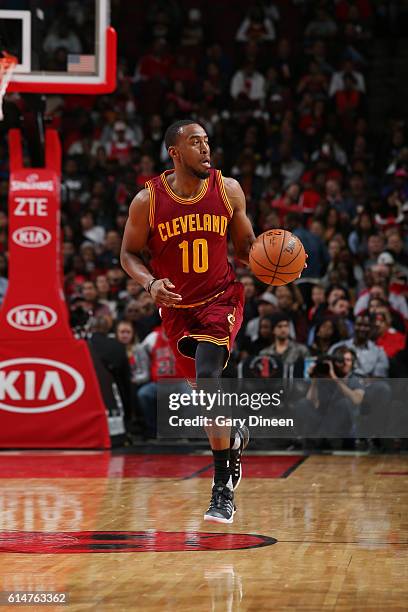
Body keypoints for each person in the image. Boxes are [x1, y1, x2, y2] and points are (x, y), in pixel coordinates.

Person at [120, 119, 258, 524]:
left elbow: (247, 248)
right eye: (195, 142)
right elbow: (128, 255)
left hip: (221, 299)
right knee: (206, 397)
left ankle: (222, 487)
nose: (205, 148)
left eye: (207, 141)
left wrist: (271, 258)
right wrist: (149, 284)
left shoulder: (228, 189)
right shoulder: (148, 200)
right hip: (177, 307)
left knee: (210, 378)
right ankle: (232, 437)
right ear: (174, 152)